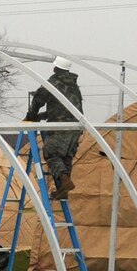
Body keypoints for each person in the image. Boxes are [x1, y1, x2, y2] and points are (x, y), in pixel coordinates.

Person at [24, 58, 85, 198]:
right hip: (75, 127)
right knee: (66, 157)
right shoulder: (74, 86)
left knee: (51, 153)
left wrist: (31, 116)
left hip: (60, 128)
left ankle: (64, 180)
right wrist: (45, 115)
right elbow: (67, 108)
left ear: (55, 68)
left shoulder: (52, 83)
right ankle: (63, 189)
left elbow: (38, 100)